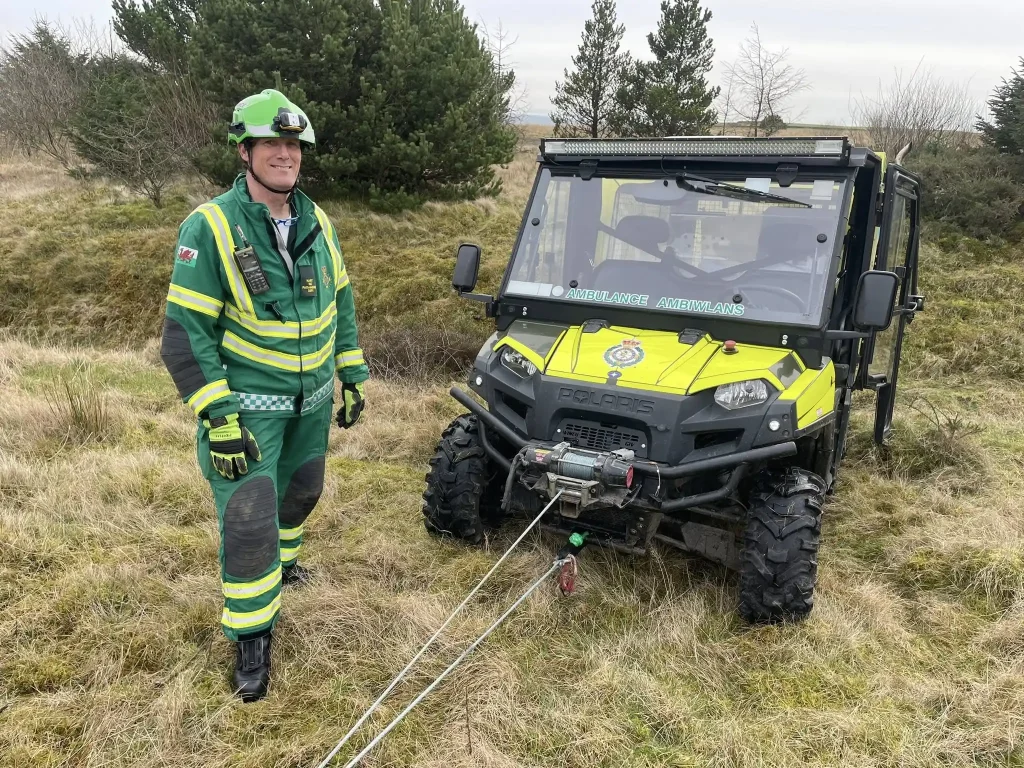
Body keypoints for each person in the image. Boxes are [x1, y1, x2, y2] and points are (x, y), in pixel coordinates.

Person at [159, 88, 369, 702]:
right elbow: (183, 335)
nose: (286, 154)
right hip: (247, 411)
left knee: (302, 495)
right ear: (245, 150)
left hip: (310, 404)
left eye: (294, 144)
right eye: (273, 143)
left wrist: (351, 372)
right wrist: (217, 417)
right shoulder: (212, 225)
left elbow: (343, 300)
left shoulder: (316, 219)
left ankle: (287, 565)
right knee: (249, 521)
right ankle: (253, 637)